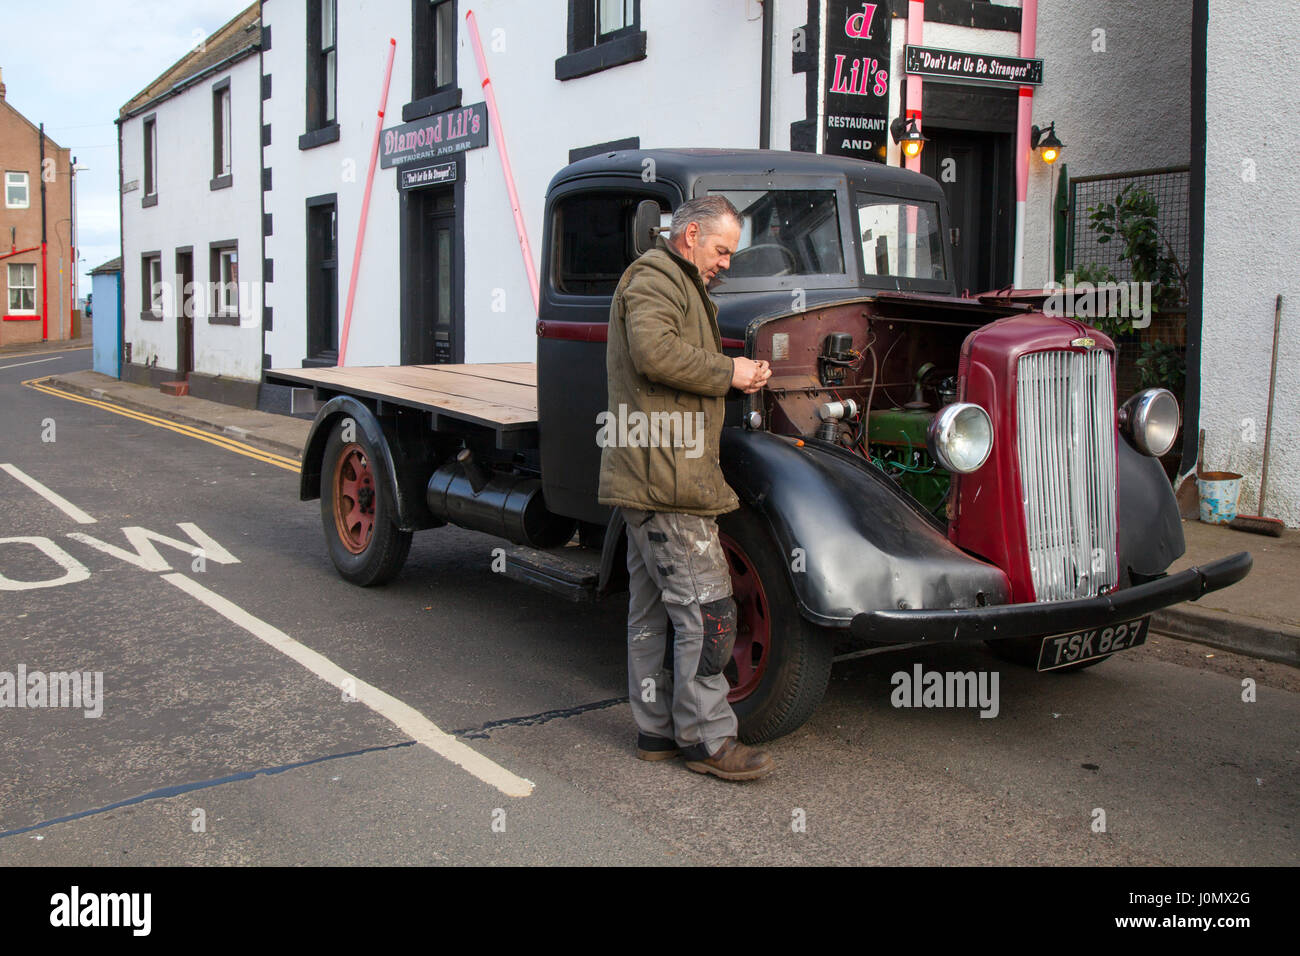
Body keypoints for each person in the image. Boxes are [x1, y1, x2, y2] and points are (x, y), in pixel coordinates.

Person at [597, 195, 774, 781]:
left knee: (650, 611)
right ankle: (708, 742)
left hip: (652, 472)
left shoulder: (675, 279)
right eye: (722, 249)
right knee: (711, 612)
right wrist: (731, 372)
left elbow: (668, 353)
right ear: (691, 233)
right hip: (667, 477)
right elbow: (653, 354)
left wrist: (731, 370)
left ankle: (656, 733)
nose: (726, 262)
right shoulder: (653, 276)